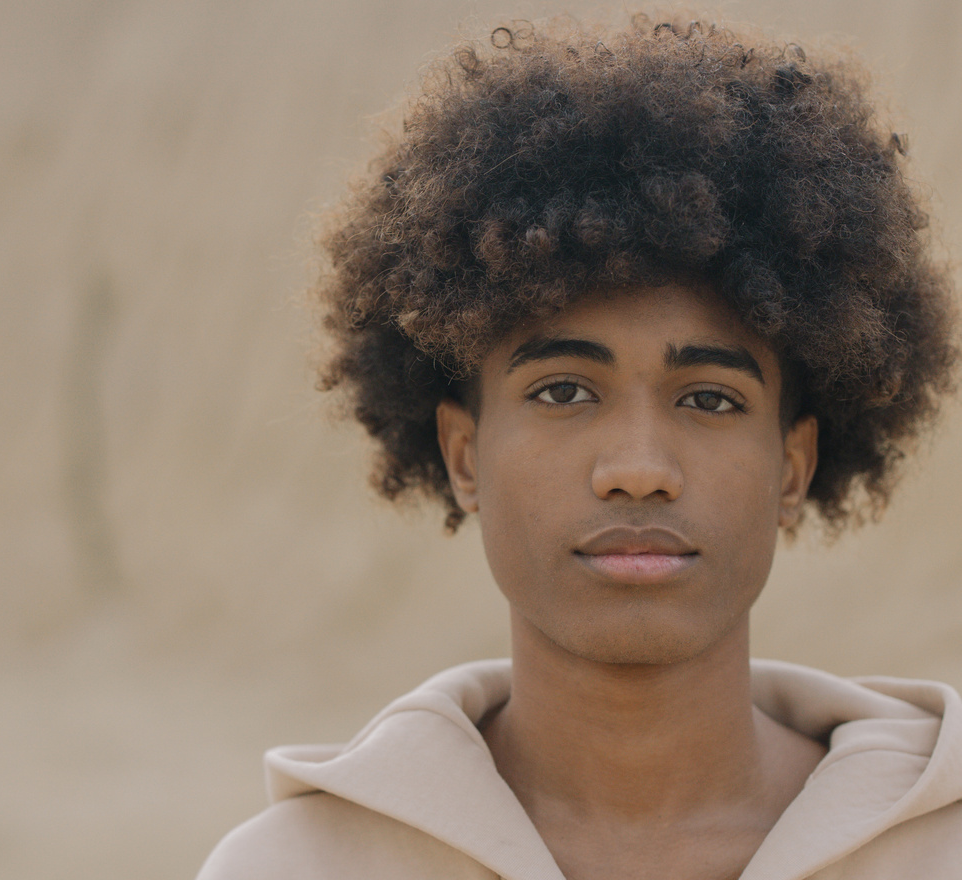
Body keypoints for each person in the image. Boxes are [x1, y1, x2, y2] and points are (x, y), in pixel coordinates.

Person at [198, 12, 961, 880]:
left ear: (792, 468)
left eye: (709, 398)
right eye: (562, 391)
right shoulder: (294, 869)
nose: (637, 470)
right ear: (462, 455)